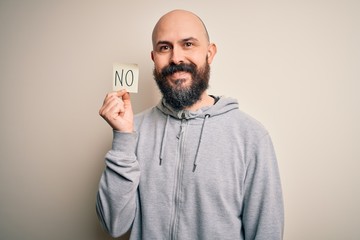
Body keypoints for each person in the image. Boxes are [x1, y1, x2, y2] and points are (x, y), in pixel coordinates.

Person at [96, 9, 284, 240]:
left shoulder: (251, 136)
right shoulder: (134, 130)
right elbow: (113, 225)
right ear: (154, 58)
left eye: (188, 44)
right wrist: (123, 136)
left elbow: (267, 233)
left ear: (209, 53)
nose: (176, 58)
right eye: (165, 47)